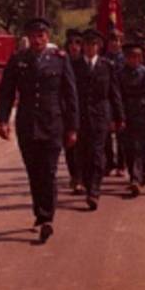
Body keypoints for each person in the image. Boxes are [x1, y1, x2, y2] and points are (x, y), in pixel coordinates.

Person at [0, 18, 79, 244]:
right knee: (34, 173)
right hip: (27, 124)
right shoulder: (18, 60)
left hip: (53, 124)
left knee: (49, 171)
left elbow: (70, 96)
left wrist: (72, 128)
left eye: (41, 35)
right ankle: (40, 213)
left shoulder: (59, 60)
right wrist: (3, 120)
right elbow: (6, 92)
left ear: (47, 37)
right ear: (28, 38)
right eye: (33, 35)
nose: (37, 39)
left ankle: (47, 218)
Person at [72, 29, 124, 210]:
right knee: (83, 154)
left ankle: (94, 191)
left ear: (99, 46)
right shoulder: (74, 65)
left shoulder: (106, 65)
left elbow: (114, 93)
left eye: (93, 44)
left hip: (101, 115)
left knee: (97, 153)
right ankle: (86, 183)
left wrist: (119, 117)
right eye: (86, 44)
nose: (89, 48)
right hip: (80, 116)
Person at [118, 42, 145, 196]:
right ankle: (134, 178)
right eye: (131, 57)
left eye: (137, 57)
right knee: (129, 147)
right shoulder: (120, 74)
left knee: (143, 146)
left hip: (143, 113)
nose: (134, 60)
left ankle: (144, 170)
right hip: (127, 113)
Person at [102, 30, 127, 177]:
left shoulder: (125, 59)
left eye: (117, 40)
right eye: (112, 40)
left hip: (123, 99)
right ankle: (109, 162)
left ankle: (121, 164)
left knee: (121, 134)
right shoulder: (103, 59)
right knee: (106, 134)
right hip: (107, 100)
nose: (115, 43)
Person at [63, 29, 84, 194]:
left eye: (77, 43)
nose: (74, 46)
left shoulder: (86, 64)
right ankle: (75, 176)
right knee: (69, 145)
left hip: (84, 109)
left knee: (84, 146)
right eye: (71, 43)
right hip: (67, 109)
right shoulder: (62, 62)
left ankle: (83, 177)